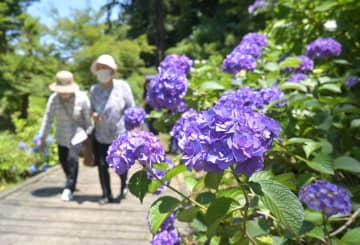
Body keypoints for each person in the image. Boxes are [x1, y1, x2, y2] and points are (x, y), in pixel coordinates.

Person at [38, 71, 92, 201]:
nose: (64, 93)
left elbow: (88, 120)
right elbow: (48, 119)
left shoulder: (82, 98)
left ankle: (69, 188)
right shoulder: (53, 99)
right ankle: (70, 179)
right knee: (63, 160)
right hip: (61, 135)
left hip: (78, 134)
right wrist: (42, 137)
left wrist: (89, 137)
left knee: (72, 159)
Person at [90, 54, 135, 204]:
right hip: (101, 135)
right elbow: (91, 109)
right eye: (100, 68)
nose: (103, 70)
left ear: (112, 71)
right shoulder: (94, 90)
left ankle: (123, 186)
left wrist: (134, 130)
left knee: (121, 164)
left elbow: (131, 109)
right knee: (102, 165)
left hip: (119, 134)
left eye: (106, 68)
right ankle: (106, 194)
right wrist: (93, 115)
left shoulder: (122, 86)